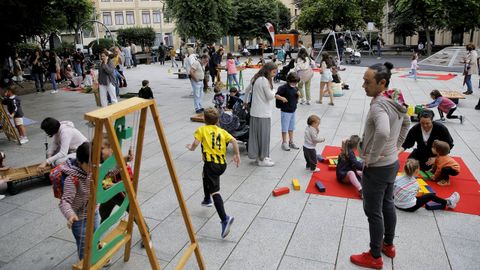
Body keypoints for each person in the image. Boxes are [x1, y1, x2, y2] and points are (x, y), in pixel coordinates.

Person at [350, 62, 410, 269]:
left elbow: (383, 132)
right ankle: (388, 245)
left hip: (378, 167)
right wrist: (397, 145)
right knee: (387, 204)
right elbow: (407, 121)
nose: (363, 86)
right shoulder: (394, 98)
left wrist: (372, 157)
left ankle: (374, 256)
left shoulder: (378, 105)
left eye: (367, 82)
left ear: (382, 83)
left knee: (373, 211)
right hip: (392, 162)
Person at [186, 107, 240, 238]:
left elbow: (195, 144)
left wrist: (190, 147)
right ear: (217, 120)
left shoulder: (202, 130)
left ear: (204, 119)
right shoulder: (221, 131)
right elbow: (233, 140)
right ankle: (206, 199)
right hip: (222, 164)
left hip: (212, 165)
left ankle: (225, 218)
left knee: (215, 190)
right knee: (205, 175)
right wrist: (237, 154)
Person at [59, 142, 100, 260]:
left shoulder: (94, 168)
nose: (95, 168)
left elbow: (109, 170)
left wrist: (124, 159)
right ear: (80, 162)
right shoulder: (72, 179)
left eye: (97, 164)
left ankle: (96, 257)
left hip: (94, 212)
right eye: (91, 165)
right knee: (83, 246)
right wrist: (70, 214)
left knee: (96, 237)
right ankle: (85, 264)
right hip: (79, 218)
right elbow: (64, 201)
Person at [394, 159, 460, 212]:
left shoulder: (397, 178)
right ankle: (448, 203)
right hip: (409, 207)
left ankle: (446, 201)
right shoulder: (415, 183)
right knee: (430, 196)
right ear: (417, 171)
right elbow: (416, 194)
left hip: (396, 204)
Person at [245, 62, 277, 167]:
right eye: (273, 72)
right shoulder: (264, 81)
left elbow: (246, 90)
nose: (274, 74)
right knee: (264, 137)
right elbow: (269, 96)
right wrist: (275, 91)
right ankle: (263, 159)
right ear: (268, 71)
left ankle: (258, 157)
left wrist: (245, 102)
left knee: (256, 137)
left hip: (255, 112)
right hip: (263, 113)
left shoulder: (256, 78)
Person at [275, 72, 301, 151]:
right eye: (293, 82)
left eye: (296, 82)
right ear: (289, 80)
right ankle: (284, 142)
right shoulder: (283, 88)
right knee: (285, 127)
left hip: (293, 110)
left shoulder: (295, 88)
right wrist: (282, 98)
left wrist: (299, 95)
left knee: (291, 127)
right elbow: (276, 95)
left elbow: (296, 99)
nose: (294, 83)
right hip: (285, 111)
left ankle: (291, 141)